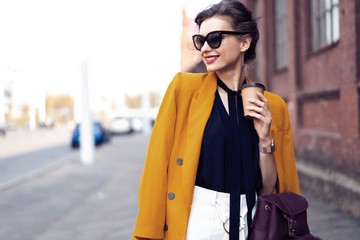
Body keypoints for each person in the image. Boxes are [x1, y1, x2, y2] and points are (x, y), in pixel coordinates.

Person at [132, 0, 300, 239]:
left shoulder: (273, 106)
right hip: (197, 225)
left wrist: (264, 140)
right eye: (200, 41)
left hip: (252, 225)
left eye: (215, 38)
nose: (204, 49)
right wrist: (147, 233)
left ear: (244, 42)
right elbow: (156, 167)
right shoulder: (184, 90)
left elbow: (269, 188)